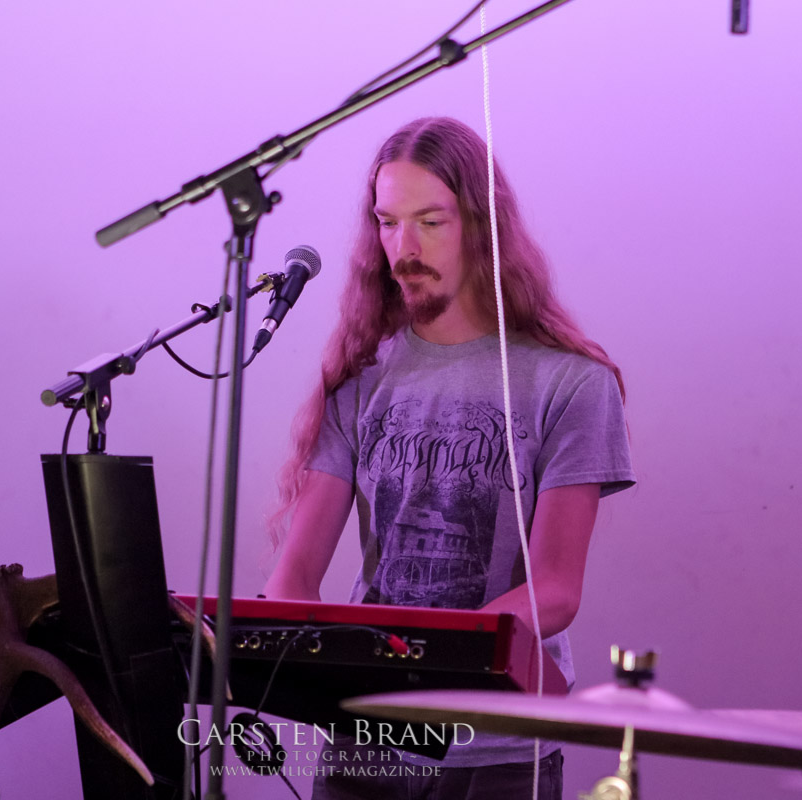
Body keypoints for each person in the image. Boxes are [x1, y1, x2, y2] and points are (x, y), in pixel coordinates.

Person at [263, 117, 635, 800]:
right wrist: (317, 665)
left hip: (499, 748)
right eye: (387, 223)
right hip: (369, 738)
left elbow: (555, 590)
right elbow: (293, 580)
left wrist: (431, 660)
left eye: (430, 222)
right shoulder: (357, 379)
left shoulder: (572, 384)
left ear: (482, 225)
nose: (403, 248)